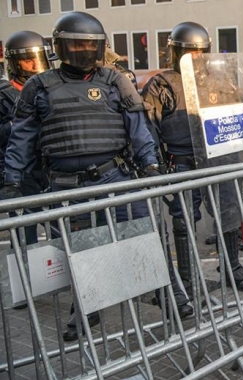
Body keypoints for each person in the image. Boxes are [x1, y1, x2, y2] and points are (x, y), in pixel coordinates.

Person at [0, 12, 171, 341]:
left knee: (141, 237)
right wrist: (11, 180)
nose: (81, 50)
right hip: (68, 186)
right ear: (60, 47)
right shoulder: (39, 86)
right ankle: (85, 308)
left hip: (114, 178)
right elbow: (21, 138)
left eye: (87, 45)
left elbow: (138, 128)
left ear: (98, 47)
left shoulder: (114, 80)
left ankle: (166, 295)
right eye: (74, 44)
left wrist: (150, 164)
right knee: (82, 251)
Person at [141, 22, 243, 308]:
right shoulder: (161, 83)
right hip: (183, 161)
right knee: (185, 220)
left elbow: (237, 112)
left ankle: (231, 267)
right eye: (189, 52)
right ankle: (188, 281)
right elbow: (149, 126)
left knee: (227, 212)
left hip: (218, 158)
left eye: (199, 52)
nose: (194, 58)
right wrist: (155, 162)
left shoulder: (219, 80)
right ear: (175, 52)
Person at [0, 31, 53, 246]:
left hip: (51, 168)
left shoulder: (52, 88)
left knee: (64, 231)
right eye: (27, 61)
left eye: (37, 59)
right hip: (21, 174)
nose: (33, 66)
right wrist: (11, 127)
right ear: (15, 64)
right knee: (25, 237)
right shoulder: (4, 93)